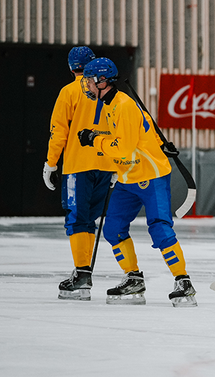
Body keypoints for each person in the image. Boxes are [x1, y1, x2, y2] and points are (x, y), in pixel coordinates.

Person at [76, 57, 196, 307]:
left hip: (150, 177)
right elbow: (128, 135)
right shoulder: (109, 104)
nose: (86, 85)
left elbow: (122, 149)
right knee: (112, 229)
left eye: (89, 80)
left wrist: (94, 140)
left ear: (102, 81)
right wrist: (99, 134)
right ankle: (133, 278)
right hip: (128, 178)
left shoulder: (124, 105)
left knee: (160, 229)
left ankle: (183, 281)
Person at [44, 46, 115, 301]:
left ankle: (82, 275)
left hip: (78, 167)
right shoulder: (109, 92)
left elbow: (58, 131)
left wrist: (51, 163)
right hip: (106, 166)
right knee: (90, 221)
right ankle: (83, 271)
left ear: (71, 66)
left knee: (76, 220)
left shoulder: (69, 91)